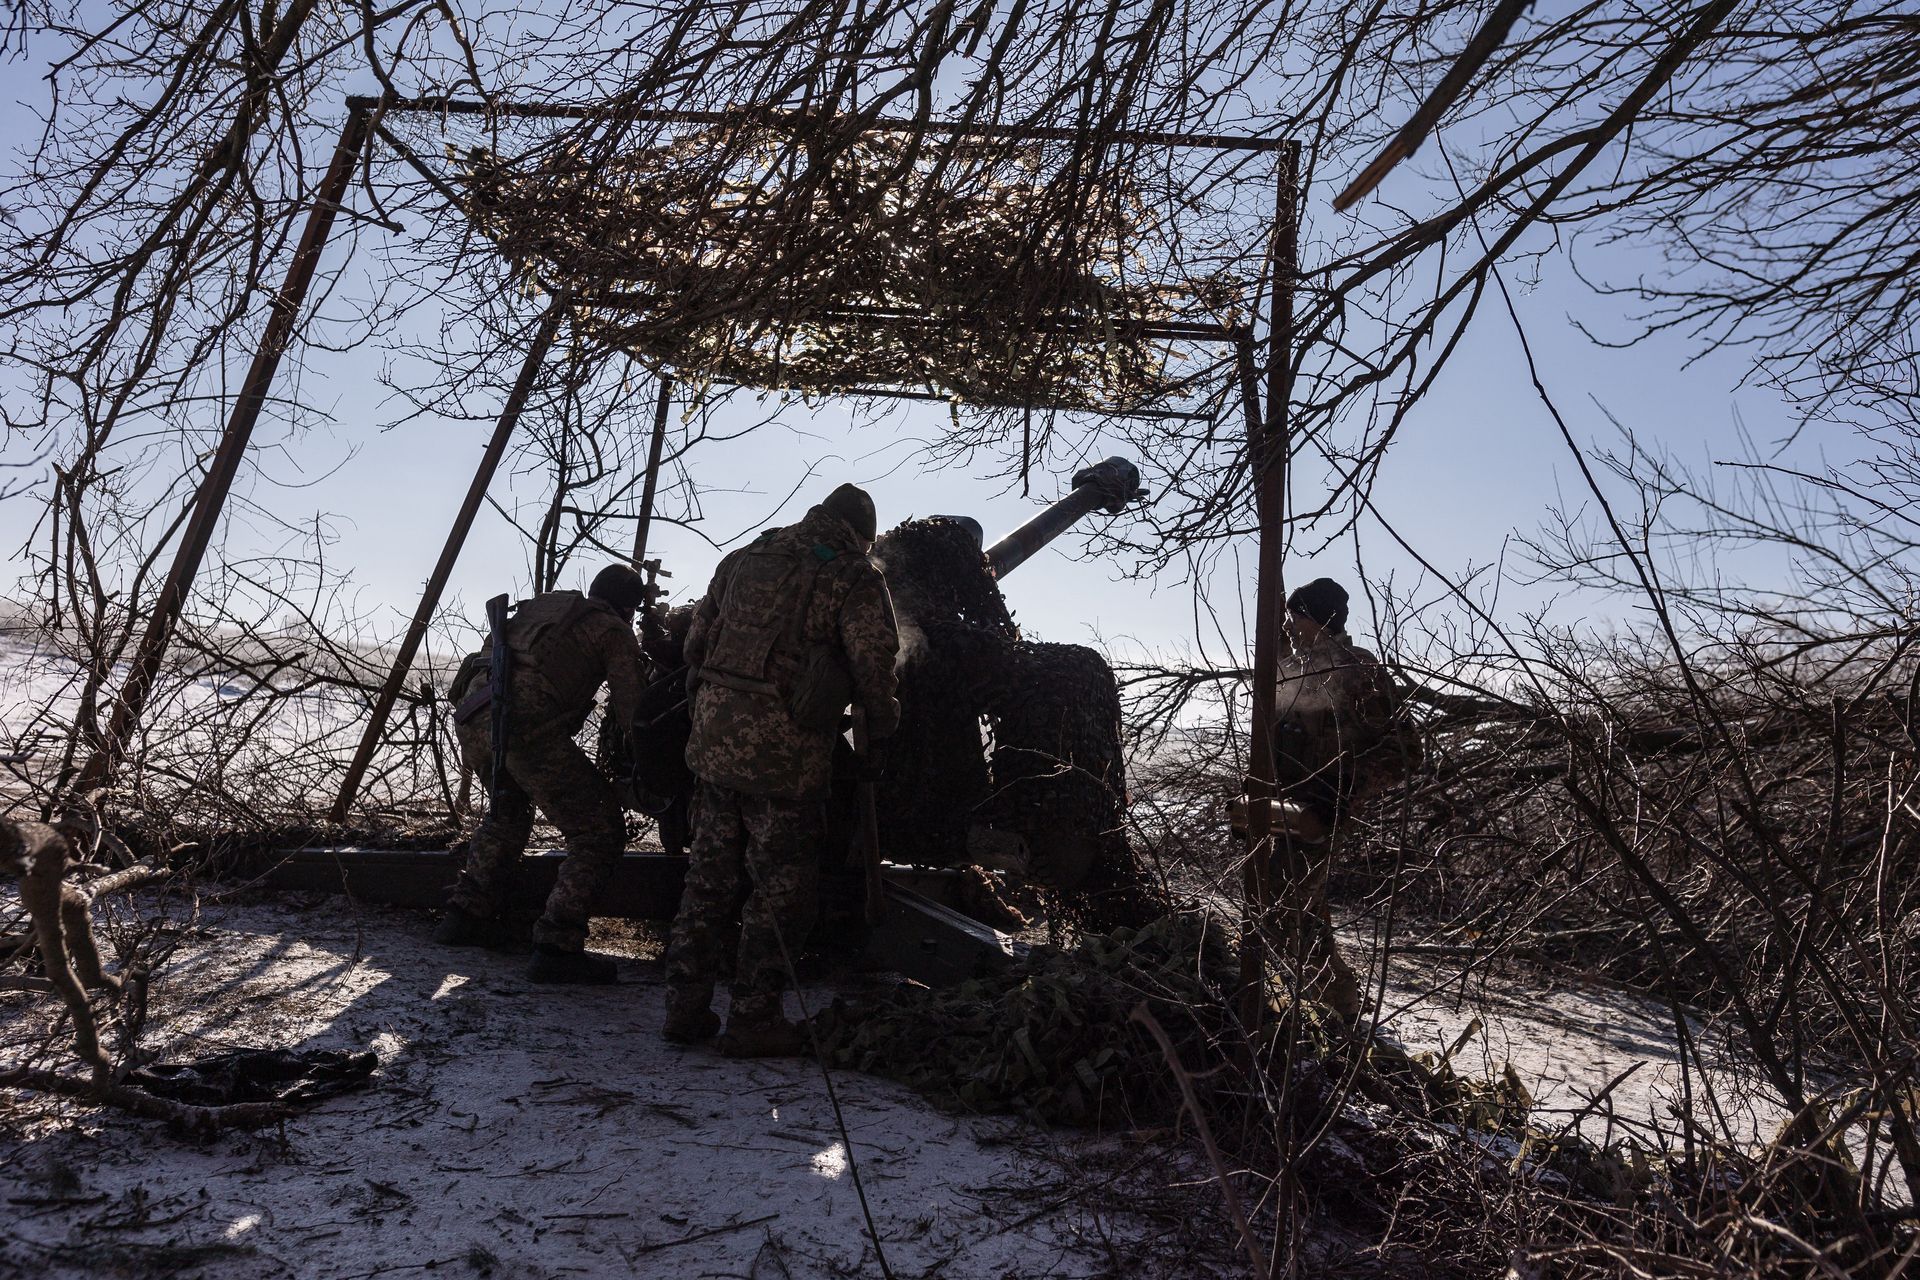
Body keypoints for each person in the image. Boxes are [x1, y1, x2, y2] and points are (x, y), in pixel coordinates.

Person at [663, 484, 901, 1056]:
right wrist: (885, 724)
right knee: (780, 885)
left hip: (715, 743)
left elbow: (696, 643)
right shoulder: (854, 575)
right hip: (784, 757)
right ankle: (754, 1018)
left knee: (708, 879)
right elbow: (873, 665)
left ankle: (683, 1008)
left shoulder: (747, 556)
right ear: (860, 534)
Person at [435, 564, 650, 984]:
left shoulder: (545, 610)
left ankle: (464, 915)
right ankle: (557, 944)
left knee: (507, 812)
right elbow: (633, 710)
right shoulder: (611, 628)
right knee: (598, 832)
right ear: (629, 608)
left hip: (476, 716)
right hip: (522, 725)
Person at [1267, 576, 1418, 1021]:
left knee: (1282, 906)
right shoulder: (1296, 668)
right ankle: (1333, 1003)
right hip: (1286, 810)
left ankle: (1333, 1009)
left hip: (1321, 811)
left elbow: (1405, 752)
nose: (1290, 627)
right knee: (1298, 911)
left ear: (1317, 619)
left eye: (1296, 617)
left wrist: (1339, 800)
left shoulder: (1359, 671)